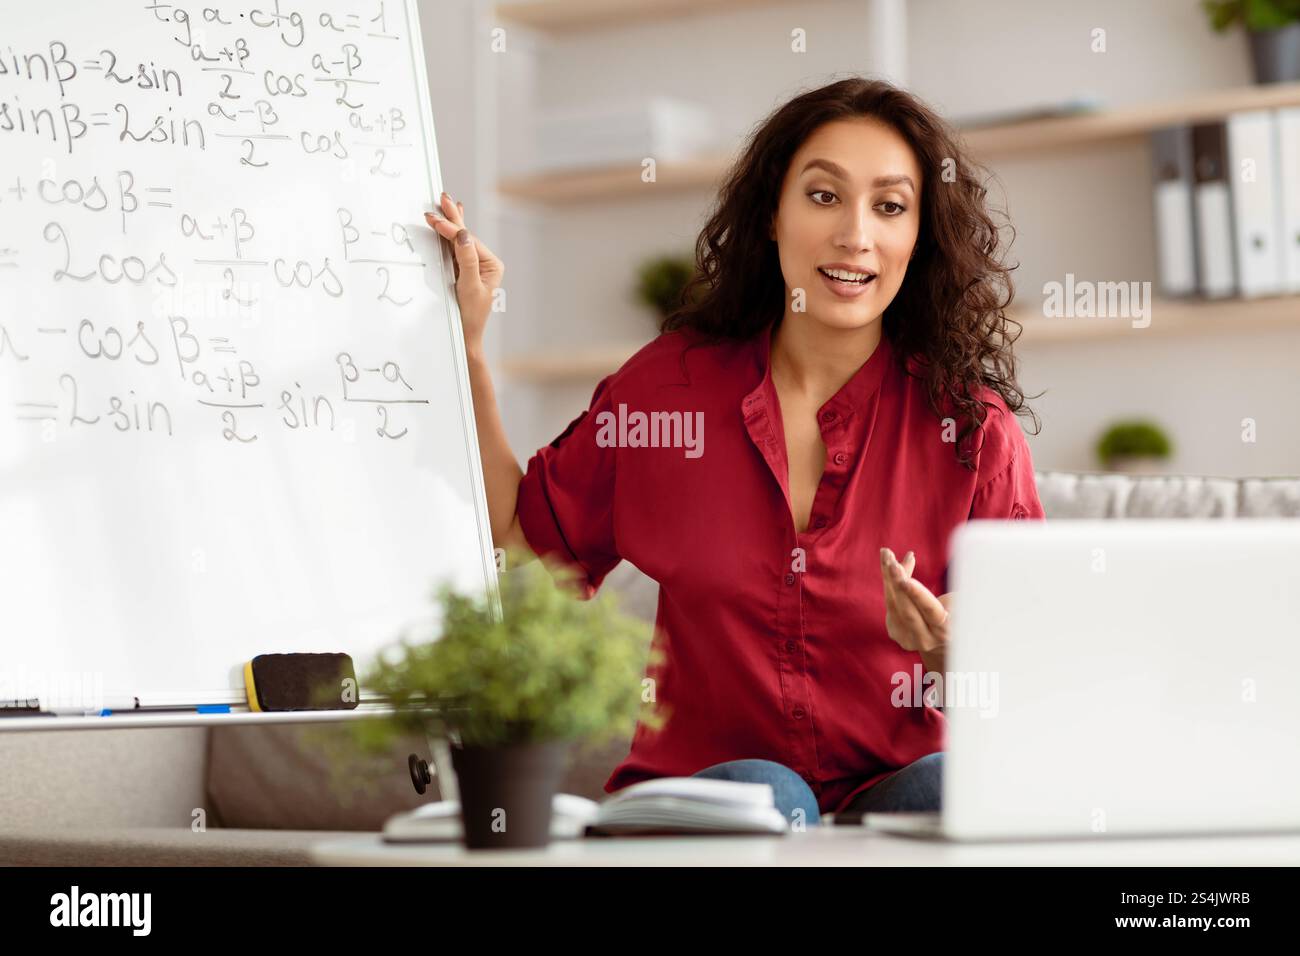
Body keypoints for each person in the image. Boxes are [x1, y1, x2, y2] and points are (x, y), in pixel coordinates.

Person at [424, 77, 1045, 826]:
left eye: (889, 206)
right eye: (823, 196)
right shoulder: (666, 391)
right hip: (718, 800)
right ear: (773, 217)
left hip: (895, 801)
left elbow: (1029, 687)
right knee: (767, 792)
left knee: (956, 784)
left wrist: (952, 654)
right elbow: (527, 543)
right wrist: (466, 348)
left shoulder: (972, 432)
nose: (856, 235)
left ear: (920, 236)